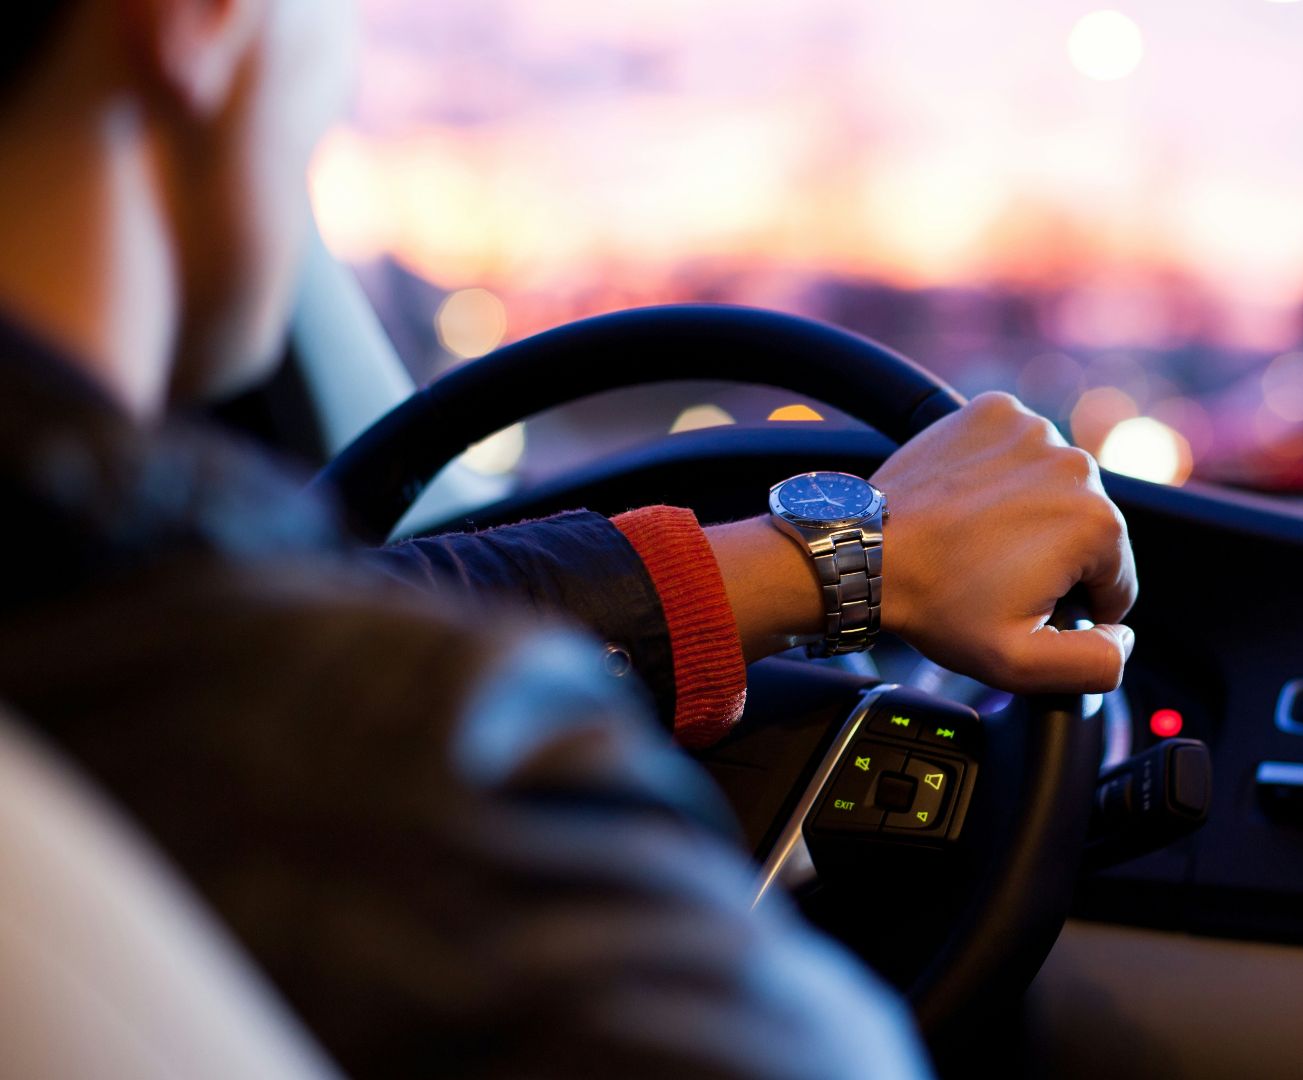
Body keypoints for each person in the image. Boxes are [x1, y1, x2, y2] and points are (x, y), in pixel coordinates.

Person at [0, 1, 1139, 1077]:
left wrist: (835, 560)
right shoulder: (400, 781)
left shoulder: (110, 636)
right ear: (198, 16)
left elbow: (292, 602)